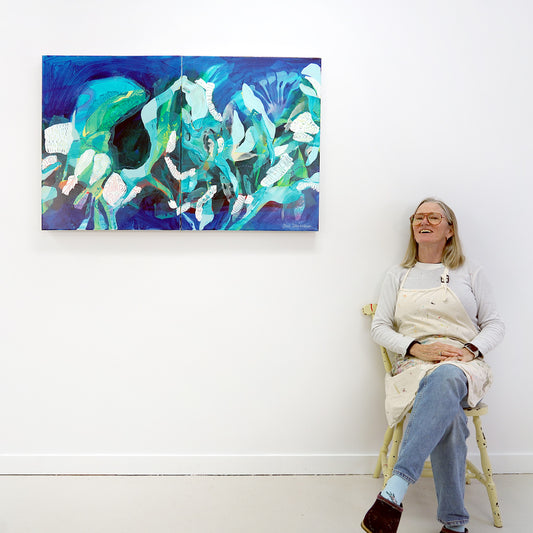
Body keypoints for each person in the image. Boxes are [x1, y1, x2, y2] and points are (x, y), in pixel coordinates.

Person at [361, 198, 504, 533]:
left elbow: (495, 324)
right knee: (449, 412)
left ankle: (394, 490)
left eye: (433, 217)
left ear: (450, 229)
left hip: (463, 366)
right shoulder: (398, 275)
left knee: (447, 376)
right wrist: (416, 348)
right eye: (418, 217)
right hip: (414, 365)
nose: (423, 222)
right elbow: (379, 327)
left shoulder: (470, 272)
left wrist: (470, 350)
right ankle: (454, 524)